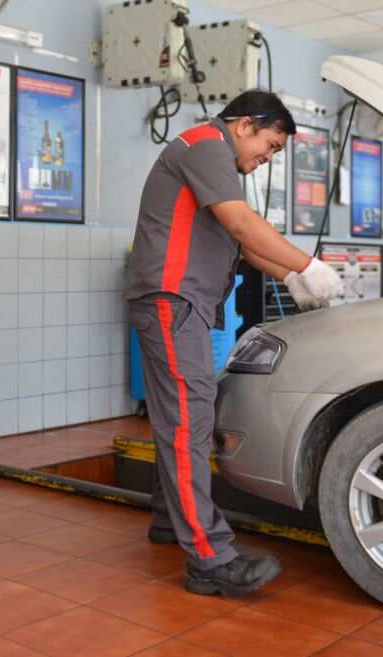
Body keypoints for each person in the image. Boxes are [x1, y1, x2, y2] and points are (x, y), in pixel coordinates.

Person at [124, 90, 343, 597]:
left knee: (183, 416)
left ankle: (167, 519)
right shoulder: (207, 145)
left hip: (182, 304)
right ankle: (209, 559)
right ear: (244, 125)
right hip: (171, 300)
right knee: (188, 419)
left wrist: (293, 280)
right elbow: (244, 224)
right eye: (268, 147)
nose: (265, 160)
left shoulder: (214, 161)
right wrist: (306, 265)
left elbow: (243, 244)